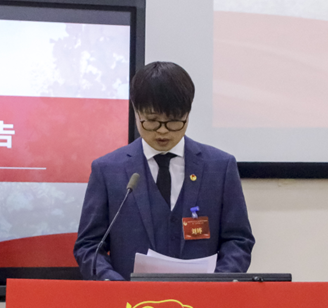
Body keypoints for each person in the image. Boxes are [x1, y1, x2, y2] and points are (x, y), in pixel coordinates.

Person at [74, 61, 254, 280]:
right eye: (152, 121)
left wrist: (217, 283)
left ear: (188, 113)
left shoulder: (219, 167)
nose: (162, 131)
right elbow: (89, 246)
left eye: (174, 122)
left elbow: (238, 241)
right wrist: (112, 284)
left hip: (202, 298)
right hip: (130, 299)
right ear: (136, 110)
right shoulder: (108, 170)